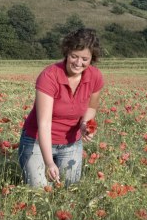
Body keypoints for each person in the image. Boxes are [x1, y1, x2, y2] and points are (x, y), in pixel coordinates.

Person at [18, 28, 104, 188]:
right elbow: (44, 124)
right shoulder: (49, 76)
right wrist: (49, 162)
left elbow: (92, 107)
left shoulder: (95, 76)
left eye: (85, 59)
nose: (78, 63)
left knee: (70, 189)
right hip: (37, 140)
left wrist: (85, 124)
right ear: (66, 53)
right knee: (40, 191)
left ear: (92, 58)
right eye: (74, 56)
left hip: (71, 143)